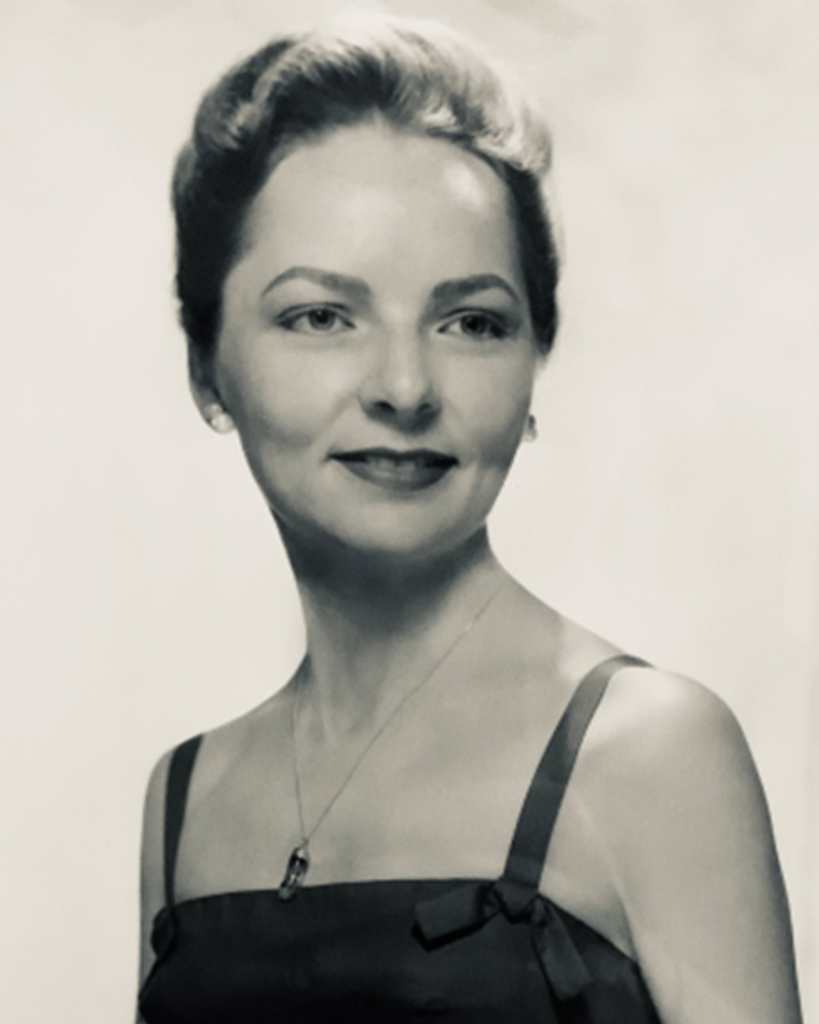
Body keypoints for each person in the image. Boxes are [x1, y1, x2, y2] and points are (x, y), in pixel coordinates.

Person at [136, 15, 802, 1024]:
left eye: (471, 323)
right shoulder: (184, 800)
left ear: (534, 361)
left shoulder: (649, 752)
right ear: (206, 367)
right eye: (322, 316)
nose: (404, 387)